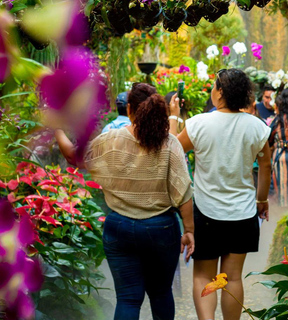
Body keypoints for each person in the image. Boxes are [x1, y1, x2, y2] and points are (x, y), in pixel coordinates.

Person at [55, 83, 194, 320]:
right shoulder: (169, 143)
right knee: (161, 294)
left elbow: (73, 156)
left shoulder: (110, 139)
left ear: (129, 109)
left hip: (119, 228)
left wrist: (56, 127)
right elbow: (184, 191)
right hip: (161, 229)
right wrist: (189, 230)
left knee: (128, 299)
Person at [169, 68, 272, 320]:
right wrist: (261, 200)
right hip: (244, 212)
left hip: (206, 213)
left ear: (221, 92)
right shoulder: (256, 127)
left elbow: (170, 151)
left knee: (204, 275)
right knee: (232, 277)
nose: (212, 91)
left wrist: (174, 118)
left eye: (214, 87)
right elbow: (266, 165)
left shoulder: (199, 124)